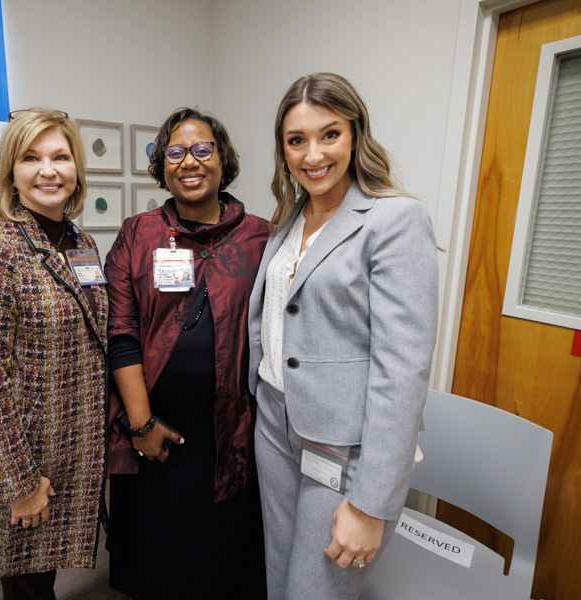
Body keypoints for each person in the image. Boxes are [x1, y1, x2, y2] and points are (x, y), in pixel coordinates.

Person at [248, 72, 438, 600]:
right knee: (279, 578)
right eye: (296, 140)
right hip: (275, 424)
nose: (313, 154)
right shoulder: (289, 220)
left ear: (355, 134)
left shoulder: (395, 219)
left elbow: (403, 368)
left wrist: (371, 502)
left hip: (343, 443)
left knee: (316, 590)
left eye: (329, 134)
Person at [104, 107, 269, 600]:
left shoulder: (261, 236)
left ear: (223, 160)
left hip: (232, 428)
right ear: (162, 166)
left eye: (203, 150)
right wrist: (141, 424)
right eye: (175, 152)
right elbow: (121, 332)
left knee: (221, 560)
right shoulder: (139, 233)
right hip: (153, 425)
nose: (189, 161)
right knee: (157, 558)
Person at [0, 108, 108, 600]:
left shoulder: (81, 243)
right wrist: (19, 483)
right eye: (31, 158)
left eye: (60, 157)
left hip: (75, 445)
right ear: (10, 174)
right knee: (28, 587)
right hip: (24, 454)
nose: (48, 170)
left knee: (47, 576)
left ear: (76, 168)